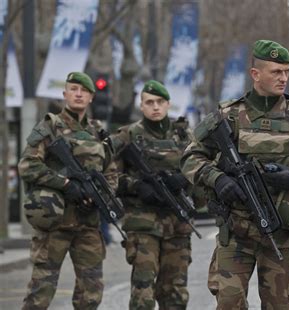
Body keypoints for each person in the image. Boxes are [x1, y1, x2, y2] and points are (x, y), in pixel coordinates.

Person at [181, 40, 289, 309]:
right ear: (255, 74)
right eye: (276, 72)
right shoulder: (226, 116)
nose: (283, 78)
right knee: (229, 303)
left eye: (287, 71)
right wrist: (217, 179)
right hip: (236, 229)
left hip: (280, 229)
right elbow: (190, 157)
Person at [18, 72, 117, 309]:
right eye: (73, 89)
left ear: (92, 97)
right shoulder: (50, 126)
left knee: (91, 294)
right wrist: (65, 184)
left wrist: (101, 196)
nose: (78, 94)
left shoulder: (98, 132)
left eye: (83, 90)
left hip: (88, 223)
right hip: (55, 222)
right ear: (65, 94)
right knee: (40, 293)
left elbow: (111, 173)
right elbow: (27, 165)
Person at [111, 80, 193, 310]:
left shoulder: (185, 137)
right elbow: (109, 176)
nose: (155, 107)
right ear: (141, 106)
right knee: (143, 292)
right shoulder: (127, 136)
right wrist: (136, 186)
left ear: (168, 104)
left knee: (175, 292)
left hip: (178, 224)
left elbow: (201, 170)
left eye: (159, 102)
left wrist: (184, 180)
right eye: (149, 102)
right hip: (142, 223)